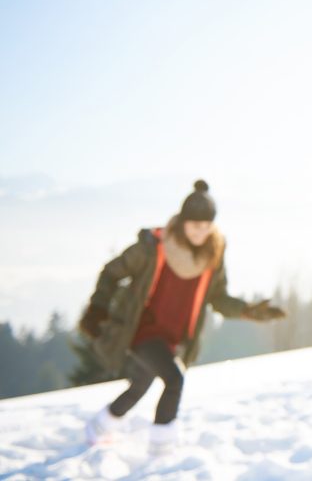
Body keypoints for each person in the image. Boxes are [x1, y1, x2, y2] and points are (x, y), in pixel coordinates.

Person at [78, 180, 286, 453]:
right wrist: (98, 308)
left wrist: (248, 311)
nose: (200, 231)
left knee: (142, 382)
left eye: (206, 225)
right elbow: (112, 272)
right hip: (142, 329)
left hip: (173, 334)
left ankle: (99, 427)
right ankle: (161, 449)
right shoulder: (153, 247)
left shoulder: (213, 253)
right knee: (174, 380)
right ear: (183, 221)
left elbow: (218, 297)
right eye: (194, 225)